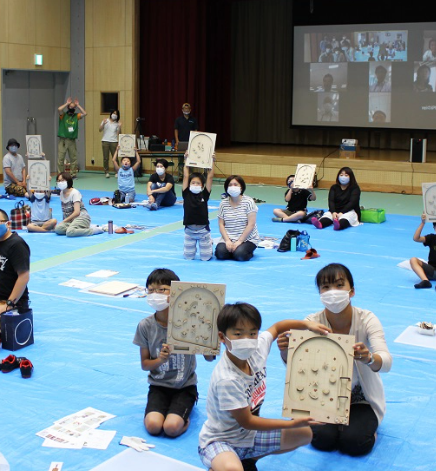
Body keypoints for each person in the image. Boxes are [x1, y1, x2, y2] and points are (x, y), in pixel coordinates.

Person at [277, 263, 392, 457]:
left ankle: (362, 428)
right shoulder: (311, 322)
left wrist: (369, 358)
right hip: (322, 396)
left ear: (352, 291)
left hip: (360, 400)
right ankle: (335, 425)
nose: (333, 292)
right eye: (326, 287)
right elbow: (295, 365)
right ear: (320, 293)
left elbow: (386, 362)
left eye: (339, 285)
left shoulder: (367, 319)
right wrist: (284, 350)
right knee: (323, 440)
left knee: (355, 443)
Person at [198, 302, 328, 471]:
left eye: (252, 333)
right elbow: (248, 421)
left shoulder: (257, 348)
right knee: (233, 469)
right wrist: (290, 424)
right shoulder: (227, 379)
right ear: (223, 337)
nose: (247, 339)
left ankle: (248, 458)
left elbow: (278, 326)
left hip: (248, 437)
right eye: (238, 334)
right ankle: (223, 463)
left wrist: (307, 325)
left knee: (304, 434)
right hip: (221, 440)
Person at [134, 269, 215, 438]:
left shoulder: (190, 322)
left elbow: (209, 358)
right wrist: (160, 359)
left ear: (177, 292)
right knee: (153, 426)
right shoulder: (145, 326)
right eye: (151, 290)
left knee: (171, 428)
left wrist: (210, 342)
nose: (156, 294)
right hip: (158, 386)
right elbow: (144, 365)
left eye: (162, 289)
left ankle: (184, 415)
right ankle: (164, 411)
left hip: (184, 387)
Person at [216, 176, 260, 262]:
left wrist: (239, 241)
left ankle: (244, 251)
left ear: (241, 187)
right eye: (230, 185)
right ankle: (233, 250)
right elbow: (221, 224)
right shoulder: (223, 203)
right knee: (220, 254)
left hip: (248, 238)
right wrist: (227, 241)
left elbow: (251, 224)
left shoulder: (249, 202)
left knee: (240, 255)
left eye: (235, 184)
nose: (233, 187)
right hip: (229, 237)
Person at [182, 152, 215, 261]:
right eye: (193, 183)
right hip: (189, 231)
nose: (195, 185)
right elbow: (186, 175)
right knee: (188, 257)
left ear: (202, 185)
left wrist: (212, 161)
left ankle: (209, 243)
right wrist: (186, 160)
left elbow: (210, 177)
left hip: (203, 231)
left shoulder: (204, 195)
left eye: (198, 183)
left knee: (206, 258)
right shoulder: (186, 194)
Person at [54, 172, 104, 237]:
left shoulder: (74, 193)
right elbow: (64, 211)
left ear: (68, 181)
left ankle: (92, 230)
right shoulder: (61, 193)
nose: (60, 182)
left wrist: (64, 221)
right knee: (58, 229)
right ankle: (79, 228)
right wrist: (63, 223)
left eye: (62, 180)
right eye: (58, 181)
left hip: (81, 217)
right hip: (71, 220)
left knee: (70, 232)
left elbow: (77, 212)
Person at [57, 97, 87, 176]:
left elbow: (85, 113)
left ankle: (73, 174)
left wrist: (78, 105)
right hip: (63, 140)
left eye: (73, 107)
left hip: (71, 140)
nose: (72, 108)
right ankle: (61, 174)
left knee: (73, 158)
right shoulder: (63, 115)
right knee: (60, 159)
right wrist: (67, 103)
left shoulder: (76, 116)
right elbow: (59, 109)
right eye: (70, 107)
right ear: (68, 107)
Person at [99, 111, 122, 178]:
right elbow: (100, 130)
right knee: (105, 158)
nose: (114, 115)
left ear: (118, 116)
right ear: (111, 114)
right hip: (105, 141)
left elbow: (119, 133)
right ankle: (106, 172)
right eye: (113, 113)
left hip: (114, 141)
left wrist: (120, 127)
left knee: (115, 158)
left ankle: (117, 171)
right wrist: (103, 123)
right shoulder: (106, 120)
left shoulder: (117, 123)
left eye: (116, 114)